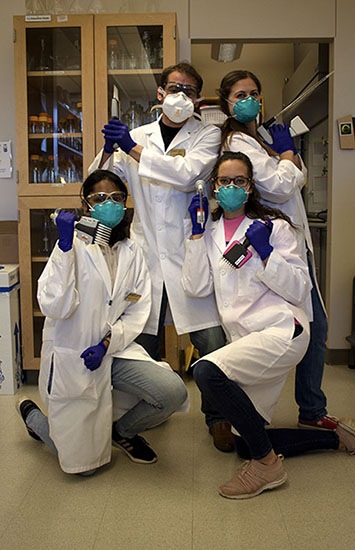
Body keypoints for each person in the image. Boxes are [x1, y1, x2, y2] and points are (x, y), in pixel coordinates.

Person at [181, 151, 355, 499]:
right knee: (246, 441)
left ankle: (267, 467)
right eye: (224, 181)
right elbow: (196, 287)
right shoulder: (210, 231)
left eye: (239, 181)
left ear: (250, 187)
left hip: (281, 331)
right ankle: (336, 439)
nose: (231, 187)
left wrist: (267, 254)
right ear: (214, 187)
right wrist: (197, 236)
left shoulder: (274, 228)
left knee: (206, 372)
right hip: (247, 341)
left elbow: (299, 287)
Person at [17, 169, 188, 476]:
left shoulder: (132, 251)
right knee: (80, 467)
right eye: (100, 198)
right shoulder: (72, 247)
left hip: (112, 349)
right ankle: (35, 419)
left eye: (117, 197)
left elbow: (137, 309)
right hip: (76, 357)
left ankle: (121, 432)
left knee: (172, 392)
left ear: (125, 203)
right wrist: (66, 249)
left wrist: (109, 341)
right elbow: (55, 305)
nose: (109, 203)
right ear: (86, 205)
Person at [216, 70, 335, 438]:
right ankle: (311, 410)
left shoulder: (259, 136)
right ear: (227, 103)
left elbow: (285, 181)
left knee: (313, 325)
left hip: (287, 239)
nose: (249, 99)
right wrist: (287, 153)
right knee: (313, 327)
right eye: (240, 94)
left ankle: (310, 407)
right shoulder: (240, 141)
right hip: (276, 241)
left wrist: (282, 152)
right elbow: (281, 186)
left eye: (254, 92)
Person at [88, 62, 226, 367]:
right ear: (160, 93)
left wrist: (130, 147)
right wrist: (110, 149)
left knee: (211, 341)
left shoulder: (207, 135)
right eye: (174, 88)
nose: (180, 95)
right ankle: (152, 408)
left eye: (188, 90)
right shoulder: (139, 135)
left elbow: (187, 175)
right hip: (145, 251)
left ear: (198, 100)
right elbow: (97, 182)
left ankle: (217, 413)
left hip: (190, 250)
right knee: (142, 338)